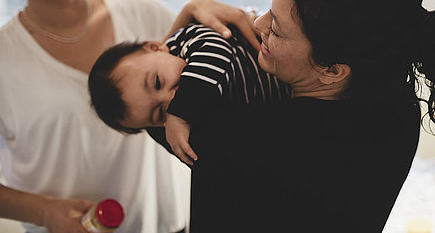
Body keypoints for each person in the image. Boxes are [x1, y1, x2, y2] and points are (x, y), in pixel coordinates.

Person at [0, 0, 258, 233]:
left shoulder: (139, 12)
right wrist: (45, 212)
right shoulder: (3, 59)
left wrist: (193, 10)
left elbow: (191, 66)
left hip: (164, 226)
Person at [182, 0, 435, 232]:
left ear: (333, 70)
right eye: (268, 9)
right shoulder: (398, 108)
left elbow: (140, 96)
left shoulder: (253, 135)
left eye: (276, 28)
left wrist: (190, 11)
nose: (259, 24)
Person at [87, 23, 291, 165]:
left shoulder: (187, 41)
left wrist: (179, 113)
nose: (169, 99)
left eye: (157, 82)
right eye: (159, 114)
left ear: (155, 47)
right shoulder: (183, 129)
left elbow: (218, 52)